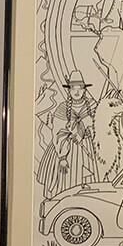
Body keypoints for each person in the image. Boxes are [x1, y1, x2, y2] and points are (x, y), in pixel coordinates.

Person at [37, 70, 97, 198]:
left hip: (88, 148)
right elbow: (58, 132)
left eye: (80, 88)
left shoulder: (93, 106)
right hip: (66, 149)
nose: (77, 91)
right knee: (67, 180)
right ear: (69, 90)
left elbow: (100, 127)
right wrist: (62, 157)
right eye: (73, 88)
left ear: (84, 90)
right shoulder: (62, 108)